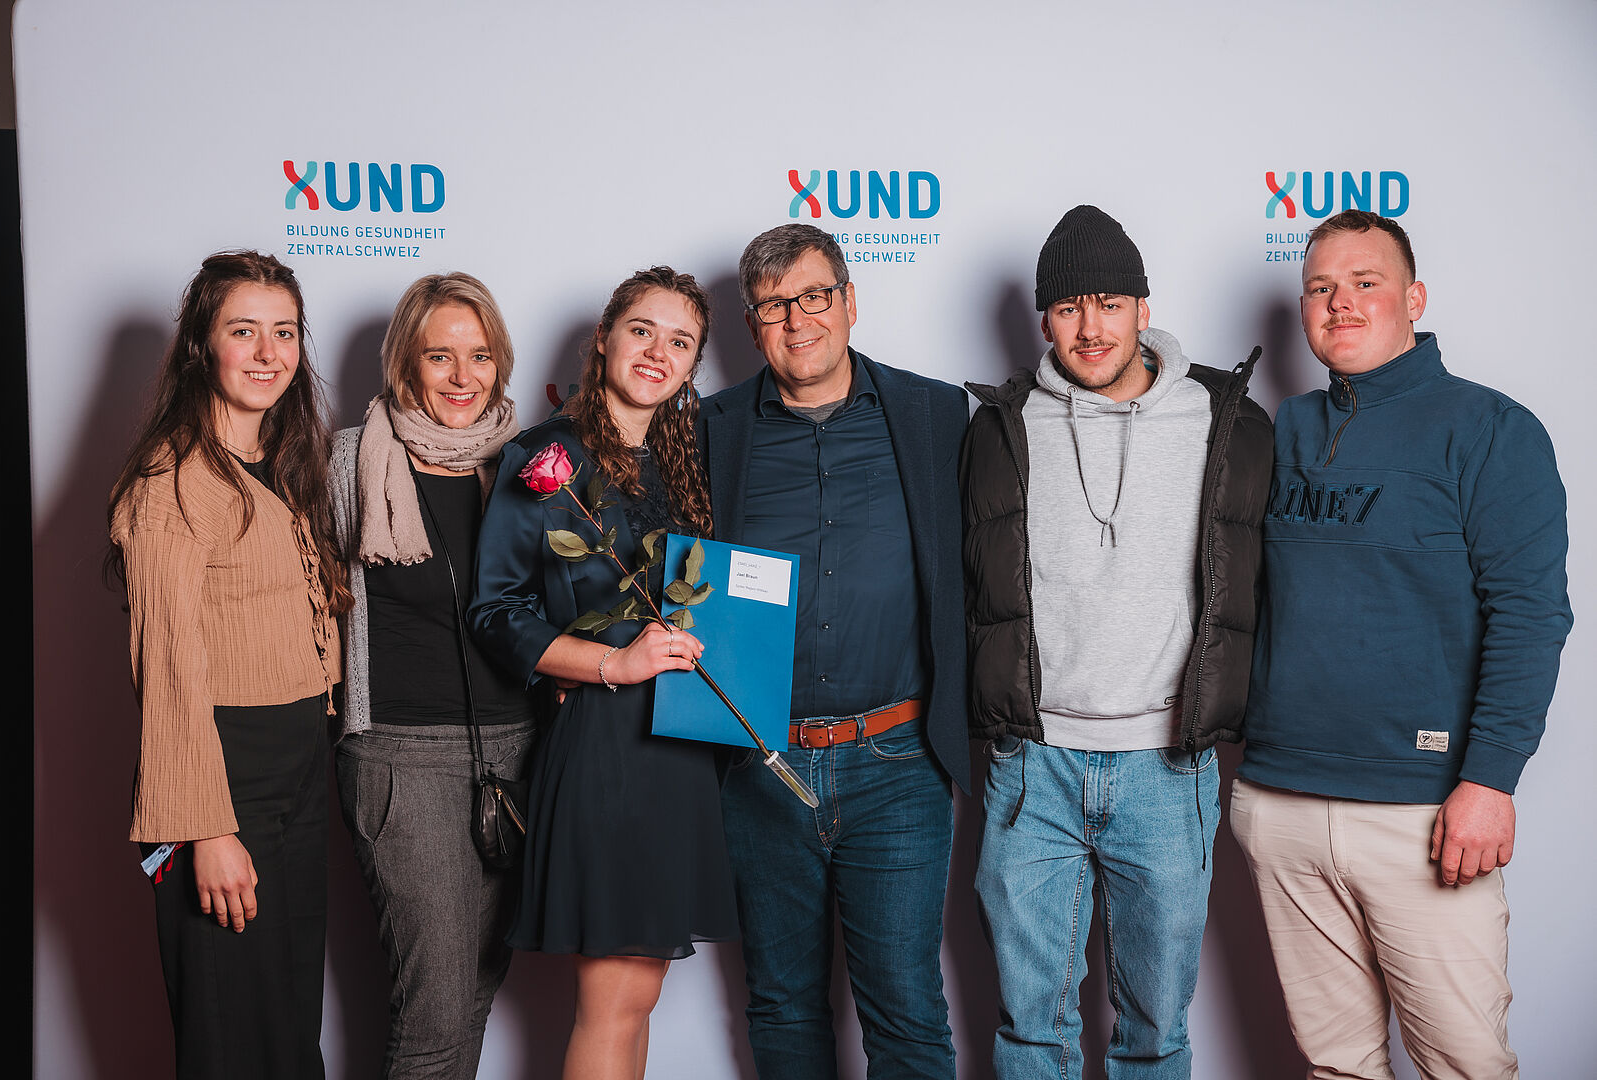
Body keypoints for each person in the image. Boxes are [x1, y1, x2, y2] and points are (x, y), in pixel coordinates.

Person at [1232, 209, 1572, 1080]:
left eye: (1365, 283)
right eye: (1320, 288)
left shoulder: (1490, 429)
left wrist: (1490, 779)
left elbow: (1531, 613)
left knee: (1464, 1065)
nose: (1340, 303)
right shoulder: (1284, 429)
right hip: (1281, 801)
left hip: (1422, 811)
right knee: (1336, 1066)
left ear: (1414, 298)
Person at [960, 204, 1273, 1078]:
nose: (1090, 327)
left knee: (1156, 1032)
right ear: (1043, 321)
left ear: (1143, 307)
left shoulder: (1227, 421)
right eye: (1067, 308)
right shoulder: (1000, 428)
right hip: (1034, 767)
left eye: (1108, 303)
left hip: (1168, 768)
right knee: (1031, 1027)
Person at [699, 223, 969, 1080]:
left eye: (814, 296)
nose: (798, 320)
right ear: (752, 326)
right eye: (774, 305)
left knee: (907, 1011)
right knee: (782, 1005)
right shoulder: (710, 429)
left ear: (850, 302)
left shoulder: (935, 415)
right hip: (760, 763)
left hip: (898, 762)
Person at [468, 266, 737, 1080]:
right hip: (607, 747)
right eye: (642, 330)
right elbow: (496, 609)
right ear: (604, 337)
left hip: (679, 749)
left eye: (680, 342)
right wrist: (612, 662)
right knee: (613, 1003)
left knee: (636, 998)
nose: (658, 352)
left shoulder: (684, 463)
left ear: (692, 366)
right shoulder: (546, 457)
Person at [107, 250, 346, 1079]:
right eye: (244, 331)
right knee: (232, 1034)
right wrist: (206, 828)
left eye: (285, 332)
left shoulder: (286, 463)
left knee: (287, 1025)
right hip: (223, 777)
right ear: (202, 346)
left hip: (298, 769)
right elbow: (168, 669)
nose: (268, 353)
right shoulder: (169, 480)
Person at [328, 272, 534, 1079]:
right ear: (403, 362)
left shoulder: (523, 465)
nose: (462, 376)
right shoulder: (351, 460)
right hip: (402, 757)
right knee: (436, 1009)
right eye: (438, 355)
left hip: (515, 753)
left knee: (477, 990)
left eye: (479, 355)